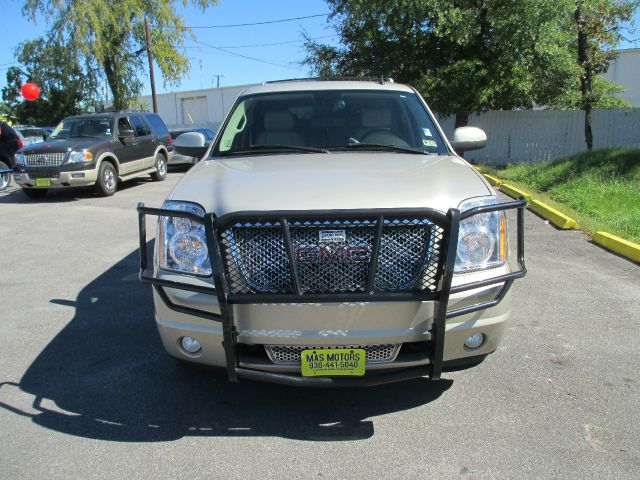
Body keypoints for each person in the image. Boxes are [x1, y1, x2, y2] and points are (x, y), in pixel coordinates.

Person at [0, 121, 22, 190]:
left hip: (10, 144)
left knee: (15, 164)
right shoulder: (3, 125)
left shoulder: (2, 125)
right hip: (9, 143)